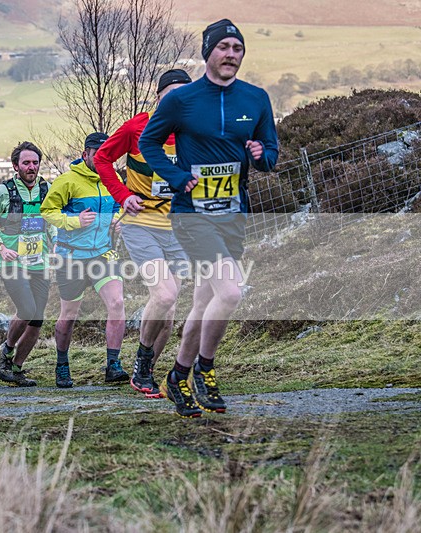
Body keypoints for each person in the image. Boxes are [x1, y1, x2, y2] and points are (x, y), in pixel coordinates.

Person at [138, 19, 279, 417]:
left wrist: (260, 156)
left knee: (205, 300)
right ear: (208, 53)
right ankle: (205, 369)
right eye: (224, 47)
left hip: (232, 215)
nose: (232, 54)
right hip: (191, 216)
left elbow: (271, 152)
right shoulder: (181, 100)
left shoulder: (255, 99)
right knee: (230, 293)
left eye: (238, 47)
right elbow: (149, 141)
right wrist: (178, 176)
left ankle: (177, 376)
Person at [94, 68, 193, 397]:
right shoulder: (138, 127)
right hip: (141, 225)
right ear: (158, 98)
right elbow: (103, 159)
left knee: (169, 312)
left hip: (177, 228)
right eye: (170, 97)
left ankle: (146, 372)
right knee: (164, 295)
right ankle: (140, 365)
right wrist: (124, 195)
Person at [40, 132, 128, 388]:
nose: (102, 158)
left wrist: (118, 219)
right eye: (97, 154)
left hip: (102, 254)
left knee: (117, 302)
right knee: (69, 315)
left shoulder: (113, 178)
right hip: (71, 257)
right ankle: (62, 365)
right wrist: (74, 221)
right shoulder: (67, 181)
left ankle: (113, 365)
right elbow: (47, 211)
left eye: (107, 154)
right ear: (85, 155)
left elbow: (118, 205)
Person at [0, 141, 57, 387]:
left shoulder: (47, 189)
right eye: (26, 163)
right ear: (16, 166)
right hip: (12, 261)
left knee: (37, 320)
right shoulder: (3, 192)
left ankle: (16, 368)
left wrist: (56, 242)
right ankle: (7, 351)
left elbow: (52, 219)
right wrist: (0, 248)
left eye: (35, 162)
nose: (31, 167)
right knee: (26, 309)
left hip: (40, 261)